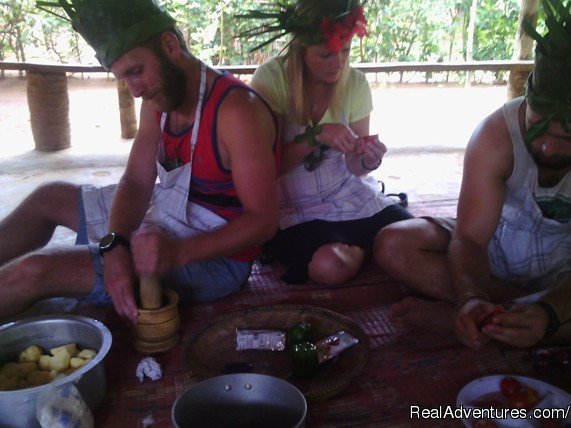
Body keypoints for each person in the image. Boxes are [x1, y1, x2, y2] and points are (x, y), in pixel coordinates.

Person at [374, 0, 571, 351]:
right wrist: (471, 295)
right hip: (499, 250)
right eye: (536, 127)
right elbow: (469, 238)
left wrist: (549, 314)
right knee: (394, 244)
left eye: (568, 138)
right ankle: (550, 324)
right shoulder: (495, 132)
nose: (546, 148)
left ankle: (507, 323)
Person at [0, 0, 280, 324]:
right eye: (124, 78)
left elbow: (263, 221)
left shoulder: (235, 111)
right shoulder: (158, 96)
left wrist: (175, 254)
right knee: (47, 197)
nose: (135, 91)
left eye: (136, 71)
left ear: (170, 45)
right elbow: (136, 180)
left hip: (219, 260)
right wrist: (116, 244)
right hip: (166, 213)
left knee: (35, 271)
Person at [240, 0, 413, 285]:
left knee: (415, 235)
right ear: (301, 49)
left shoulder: (354, 83)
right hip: (291, 208)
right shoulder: (273, 78)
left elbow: (357, 169)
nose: (339, 63)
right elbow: (266, 169)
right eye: (326, 55)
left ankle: (362, 246)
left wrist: (368, 158)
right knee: (328, 267)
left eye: (345, 51)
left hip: (345, 194)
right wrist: (315, 136)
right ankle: (365, 248)